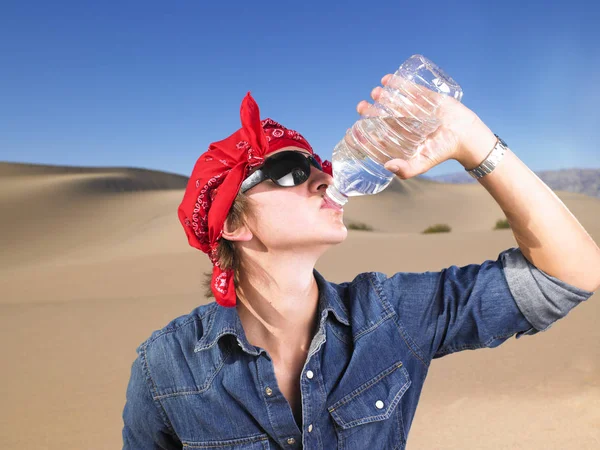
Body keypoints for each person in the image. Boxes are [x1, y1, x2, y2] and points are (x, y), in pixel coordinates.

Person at [122, 76, 600, 449]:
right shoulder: (166, 368)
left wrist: (473, 141)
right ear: (232, 225)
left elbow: (570, 274)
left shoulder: (391, 315)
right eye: (289, 173)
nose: (323, 181)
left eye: (318, 167)